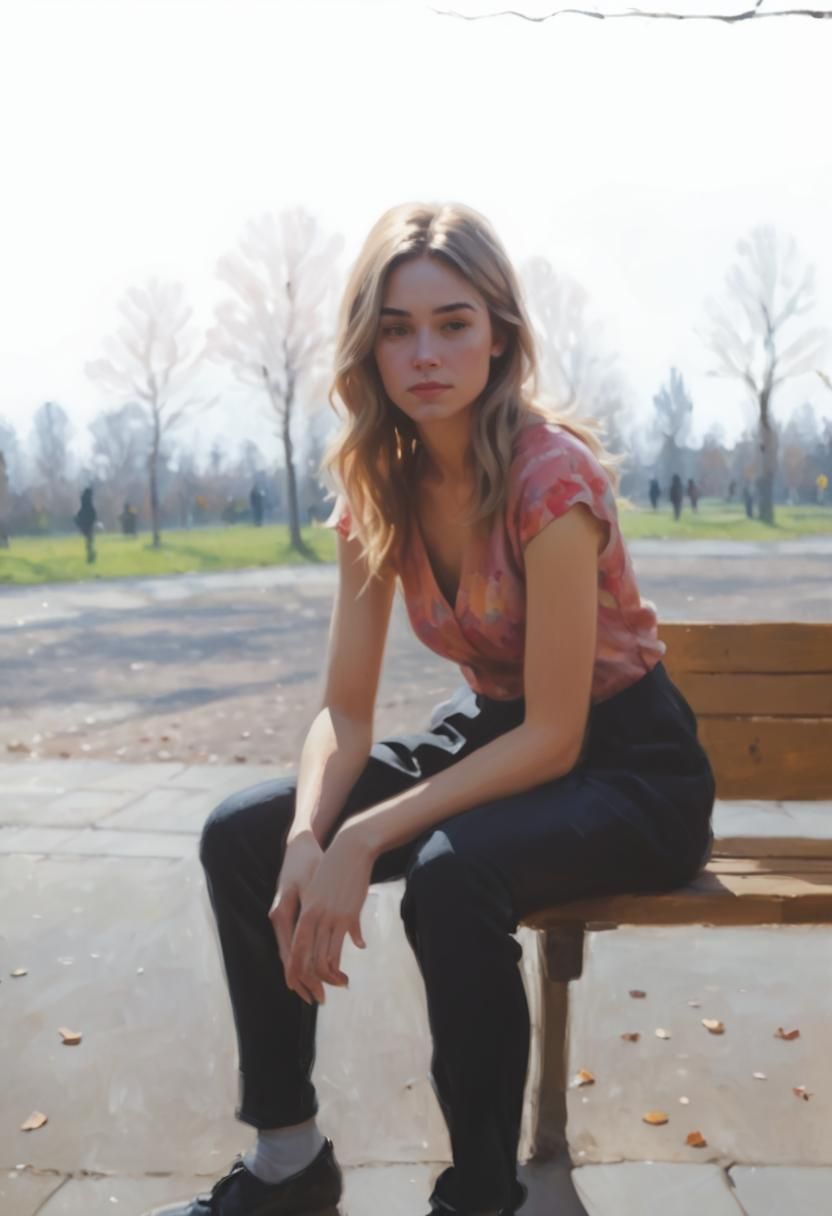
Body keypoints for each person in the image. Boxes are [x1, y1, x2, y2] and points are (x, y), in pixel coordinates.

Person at [145, 202, 716, 1216]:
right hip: (502, 732)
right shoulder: (381, 480)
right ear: (368, 345)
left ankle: (482, 1194)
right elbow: (345, 712)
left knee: (451, 879)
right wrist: (307, 832)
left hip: (629, 767)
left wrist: (360, 836)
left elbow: (558, 733)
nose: (424, 352)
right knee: (246, 832)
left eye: (452, 322)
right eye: (396, 328)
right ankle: (287, 1162)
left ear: (499, 332)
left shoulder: (550, 478)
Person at [74, 485, 97, 564]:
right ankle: (90, 556)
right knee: (89, 540)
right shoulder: (88, 501)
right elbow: (91, 512)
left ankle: (90, 556)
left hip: (85, 522)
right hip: (87, 523)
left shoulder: (84, 500)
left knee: (89, 541)